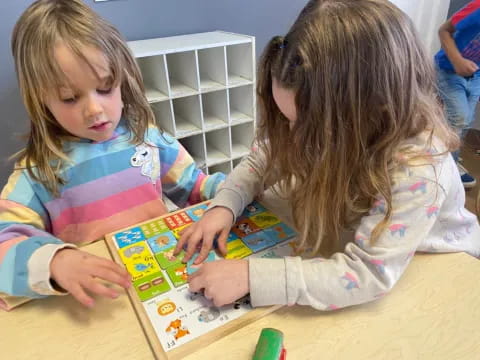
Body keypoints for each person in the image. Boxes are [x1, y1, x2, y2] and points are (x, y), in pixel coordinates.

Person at [175, 0, 480, 310]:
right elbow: (264, 159)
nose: (293, 136)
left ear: (371, 109)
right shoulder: (331, 119)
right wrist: (224, 206)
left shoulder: (420, 167)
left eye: (306, 126)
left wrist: (252, 277)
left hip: (436, 269)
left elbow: (367, 274)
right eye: (289, 120)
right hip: (362, 236)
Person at [0, 0, 225, 311]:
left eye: (105, 88)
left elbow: (197, 186)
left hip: (164, 283)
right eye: (70, 97)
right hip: (99, 304)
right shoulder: (37, 171)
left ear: (122, 77)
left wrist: (233, 191)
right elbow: (4, 240)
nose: (94, 109)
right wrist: (56, 262)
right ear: (42, 100)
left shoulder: (148, 138)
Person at [435, 0, 480, 188]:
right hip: (448, 69)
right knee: (459, 119)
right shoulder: (477, 7)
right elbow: (443, 31)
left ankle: (448, 162)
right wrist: (457, 61)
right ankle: (447, 168)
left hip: (476, 75)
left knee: (464, 121)